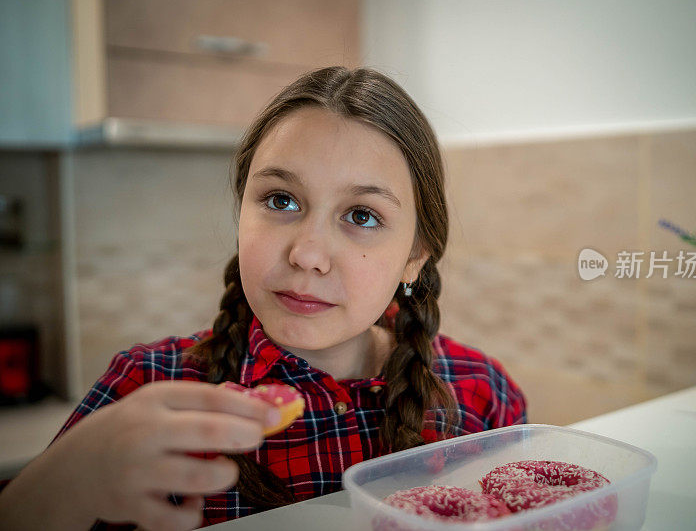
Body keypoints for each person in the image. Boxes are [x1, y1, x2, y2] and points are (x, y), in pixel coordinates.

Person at [0, 66, 526, 530]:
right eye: (281, 200)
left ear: (415, 255)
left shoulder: (482, 395)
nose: (308, 254)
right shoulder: (146, 387)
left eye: (362, 216)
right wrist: (60, 482)